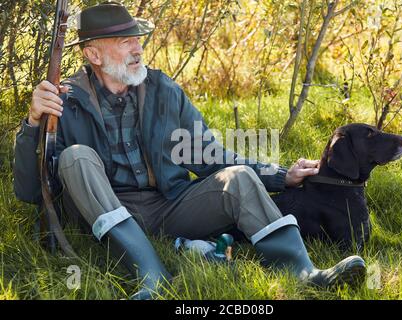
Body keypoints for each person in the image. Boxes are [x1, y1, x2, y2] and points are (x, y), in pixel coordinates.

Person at [13, 2, 367, 300]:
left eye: (138, 39)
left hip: (168, 205)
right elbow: (30, 192)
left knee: (238, 178)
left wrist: (280, 175)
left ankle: (305, 272)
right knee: (76, 156)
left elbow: (210, 155)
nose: (137, 48)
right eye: (125, 41)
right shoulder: (64, 100)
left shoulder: (164, 90)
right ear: (93, 54)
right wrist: (32, 123)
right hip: (105, 209)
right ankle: (152, 277)